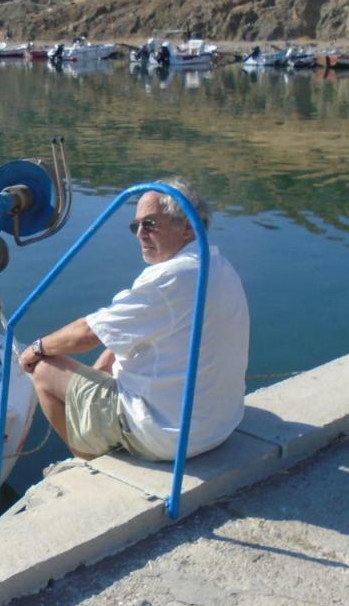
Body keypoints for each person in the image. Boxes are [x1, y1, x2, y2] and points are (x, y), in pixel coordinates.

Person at [19, 177, 249, 462]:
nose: (140, 233)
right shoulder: (217, 265)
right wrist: (100, 370)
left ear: (188, 227)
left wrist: (36, 348)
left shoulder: (170, 278)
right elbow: (121, 332)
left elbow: (87, 333)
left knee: (43, 369)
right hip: (218, 426)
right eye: (136, 225)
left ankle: (88, 459)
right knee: (112, 348)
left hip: (169, 438)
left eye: (150, 223)